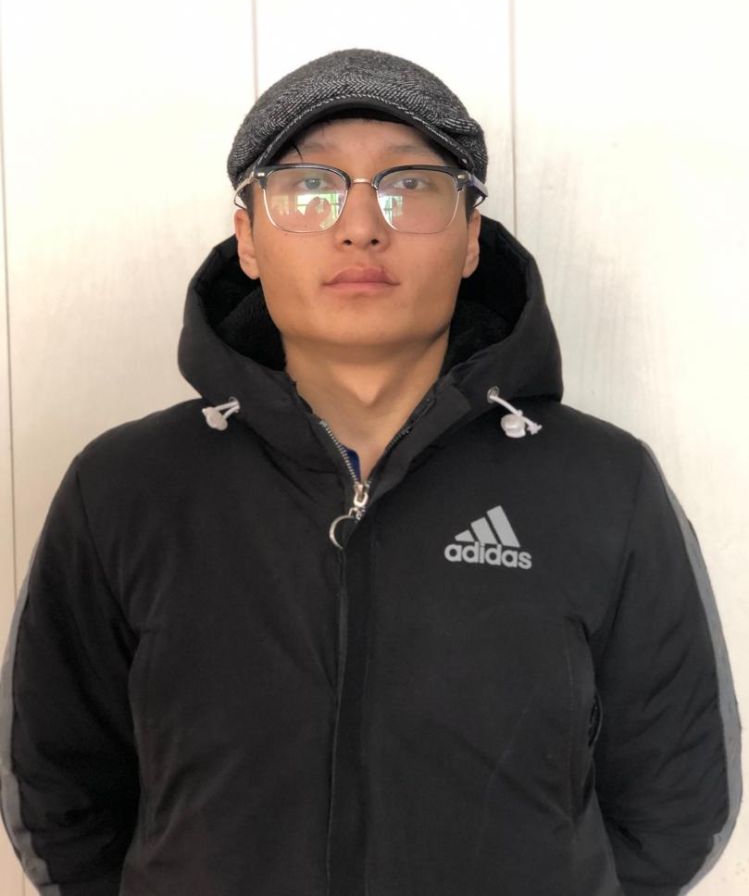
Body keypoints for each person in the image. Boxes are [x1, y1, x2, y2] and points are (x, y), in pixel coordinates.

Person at [0, 48, 741, 896]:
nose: (360, 226)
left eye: (409, 185)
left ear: (470, 239)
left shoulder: (602, 484)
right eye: (308, 186)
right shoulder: (127, 487)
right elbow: (58, 791)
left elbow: (678, 801)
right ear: (247, 239)